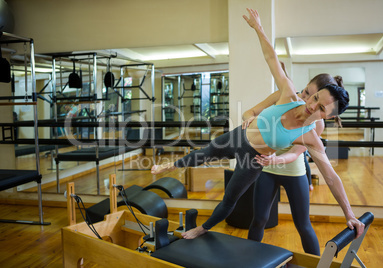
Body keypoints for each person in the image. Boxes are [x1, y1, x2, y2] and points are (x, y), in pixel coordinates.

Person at [151, 8, 364, 240]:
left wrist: (349, 213)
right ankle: (170, 165)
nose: (312, 106)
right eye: (315, 98)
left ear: (329, 117)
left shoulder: (309, 137)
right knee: (203, 153)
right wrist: (259, 29)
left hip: (252, 160)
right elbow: (271, 58)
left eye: (321, 108)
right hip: (238, 136)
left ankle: (201, 229)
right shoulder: (288, 96)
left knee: (230, 199)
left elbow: (332, 178)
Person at [243, 73, 344, 256]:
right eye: (306, 93)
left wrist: (276, 159)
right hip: (267, 168)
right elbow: (250, 112)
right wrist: (249, 120)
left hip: (293, 171)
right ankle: (249, 261)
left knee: (303, 225)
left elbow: (295, 153)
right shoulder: (284, 96)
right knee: (259, 219)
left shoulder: (316, 124)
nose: (306, 101)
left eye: (313, 98)